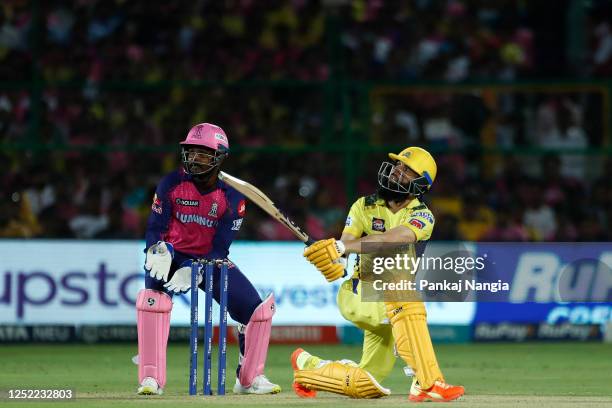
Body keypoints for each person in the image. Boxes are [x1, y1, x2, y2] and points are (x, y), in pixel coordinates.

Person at [292, 147, 465, 402]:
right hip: (360, 293)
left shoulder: (422, 215)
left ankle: (308, 367)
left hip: (389, 303)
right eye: (397, 165)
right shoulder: (364, 205)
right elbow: (345, 247)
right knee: (406, 297)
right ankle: (428, 382)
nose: (397, 171)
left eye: (407, 170)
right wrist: (335, 259)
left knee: (366, 382)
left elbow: (394, 239)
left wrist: (342, 247)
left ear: (420, 183)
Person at [136, 123, 280, 395]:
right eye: (190, 152)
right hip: (171, 254)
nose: (193, 159)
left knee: (257, 313)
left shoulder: (232, 196)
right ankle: (150, 378)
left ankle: (250, 378)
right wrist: (155, 249)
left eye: (202, 154)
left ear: (220, 157)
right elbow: (155, 227)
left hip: (210, 260)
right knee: (151, 301)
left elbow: (220, 248)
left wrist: (195, 268)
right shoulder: (171, 183)